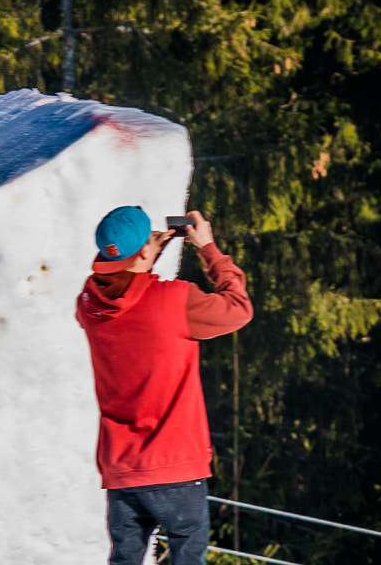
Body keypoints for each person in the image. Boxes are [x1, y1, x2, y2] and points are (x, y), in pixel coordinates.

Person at [76, 206, 253, 565]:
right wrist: (208, 249)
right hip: (175, 467)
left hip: (122, 470)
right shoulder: (175, 300)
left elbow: (123, 289)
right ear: (143, 251)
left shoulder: (89, 305)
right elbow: (238, 308)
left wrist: (143, 255)